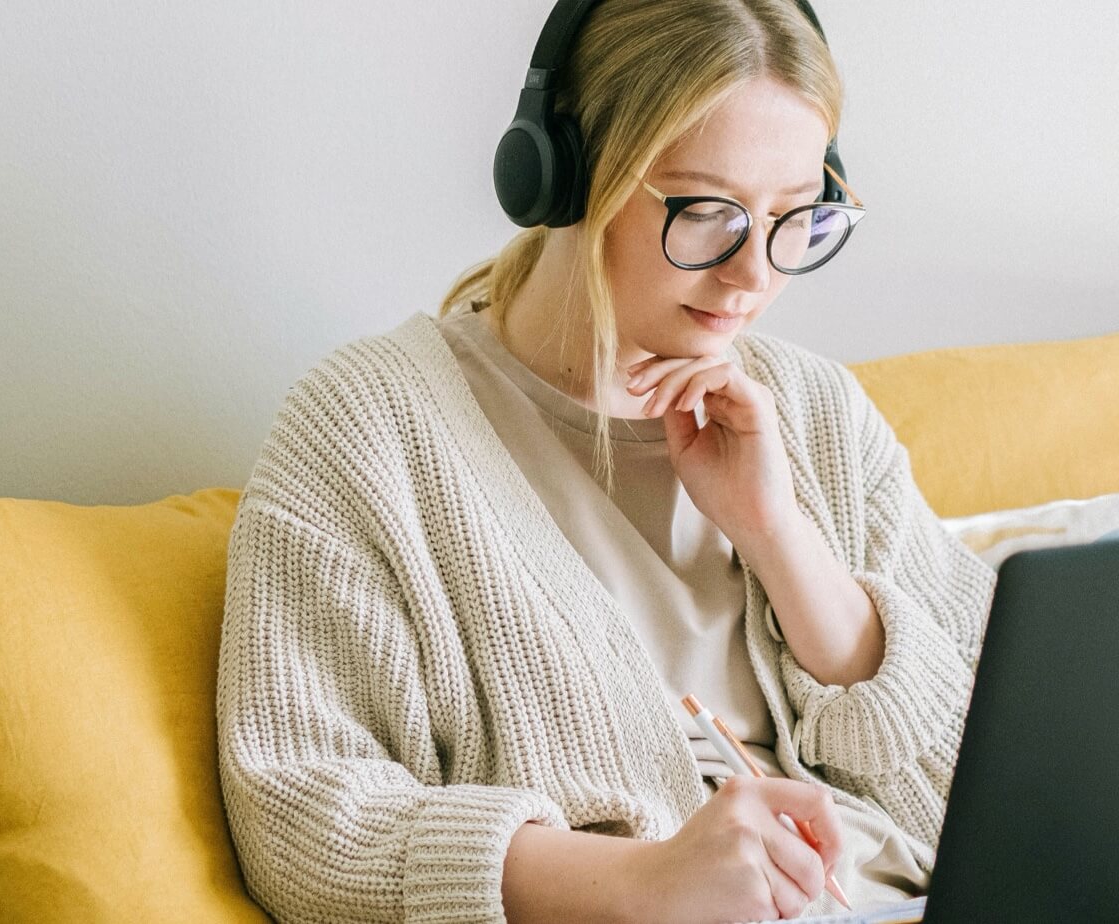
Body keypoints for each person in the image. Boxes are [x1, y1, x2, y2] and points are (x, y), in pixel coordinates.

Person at [216, 1, 997, 921]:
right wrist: (643, 884)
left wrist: (781, 540)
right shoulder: (371, 428)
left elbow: (1009, 756)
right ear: (569, 179)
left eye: (796, 215)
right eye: (711, 213)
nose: (755, 277)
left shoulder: (814, 408)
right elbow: (302, 812)